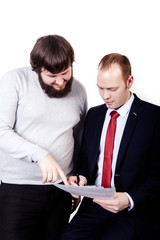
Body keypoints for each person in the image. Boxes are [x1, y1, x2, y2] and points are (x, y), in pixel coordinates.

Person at [60, 53, 160, 240]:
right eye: (100, 88)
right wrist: (80, 178)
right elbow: (86, 160)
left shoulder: (153, 117)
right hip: (93, 207)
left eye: (112, 89)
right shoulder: (94, 115)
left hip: (133, 213)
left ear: (129, 81)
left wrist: (129, 199)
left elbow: (158, 176)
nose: (105, 96)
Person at [0, 34, 87, 240]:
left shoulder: (80, 91)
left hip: (60, 192)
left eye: (65, 73)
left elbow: (80, 139)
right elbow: (1, 131)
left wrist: (77, 177)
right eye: (51, 76)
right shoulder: (15, 81)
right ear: (36, 68)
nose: (60, 82)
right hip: (18, 190)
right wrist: (41, 155)